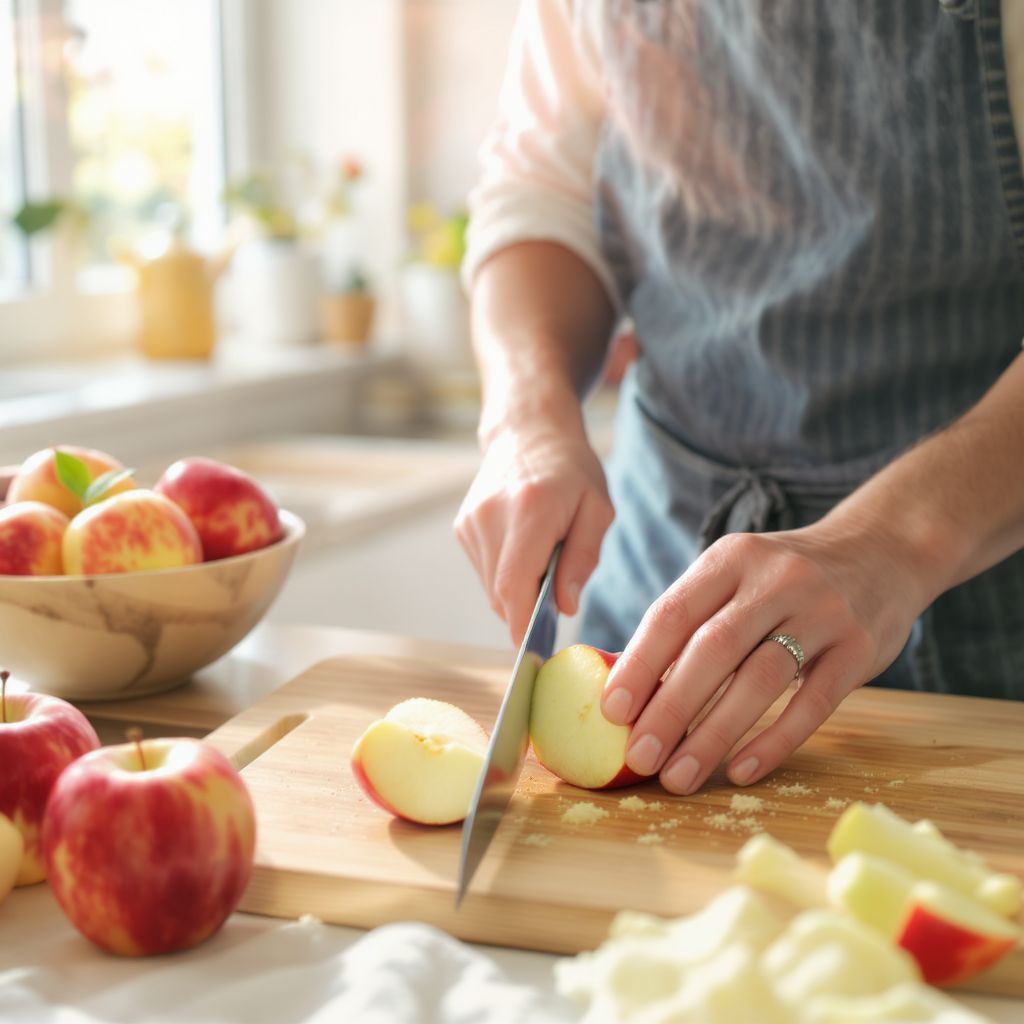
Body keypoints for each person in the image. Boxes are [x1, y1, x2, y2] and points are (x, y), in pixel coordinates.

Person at [453, 0, 1024, 796]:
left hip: (984, 622)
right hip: (661, 571)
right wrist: (526, 416)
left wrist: (895, 541)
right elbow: (541, 189)